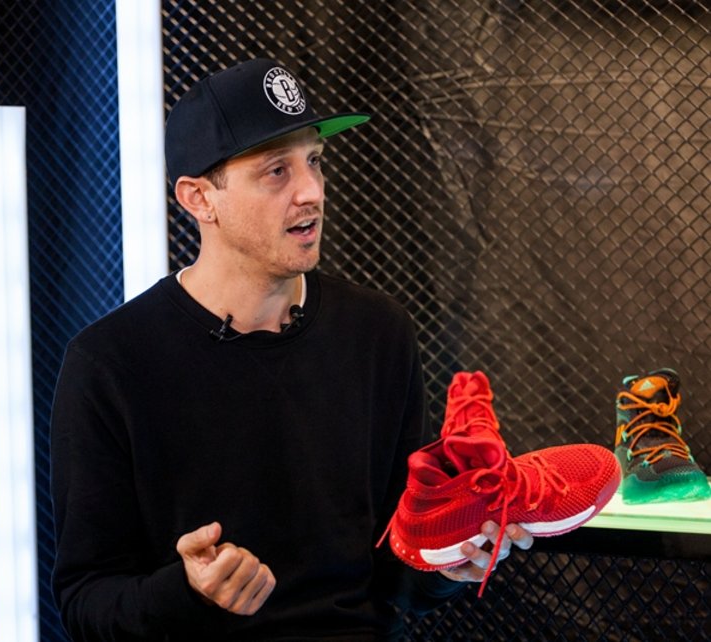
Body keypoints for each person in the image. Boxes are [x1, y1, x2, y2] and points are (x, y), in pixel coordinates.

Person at [49, 58, 533, 641]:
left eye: (315, 161)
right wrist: (188, 592)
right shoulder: (110, 363)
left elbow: (393, 569)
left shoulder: (378, 334)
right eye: (277, 170)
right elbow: (86, 602)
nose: (312, 192)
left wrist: (447, 561)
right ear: (199, 198)